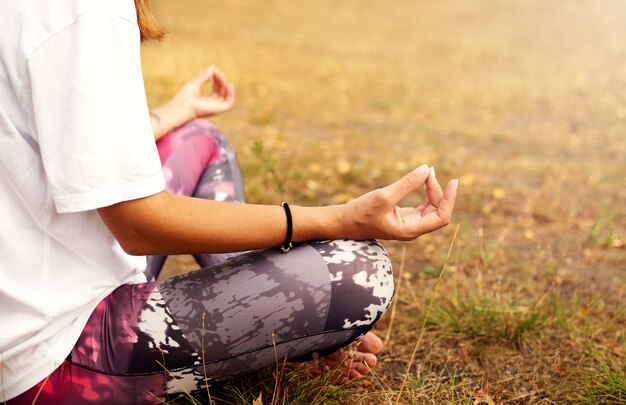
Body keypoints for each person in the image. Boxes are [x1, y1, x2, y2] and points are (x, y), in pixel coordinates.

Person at [0, 0, 458, 403]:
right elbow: (139, 226)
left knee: (202, 139)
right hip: (53, 362)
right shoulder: (85, 7)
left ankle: (272, 328)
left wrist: (171, 113)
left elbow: (59, 142)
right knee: (358, 270)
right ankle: (279, 332)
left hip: (35, 292)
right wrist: (340, 218)